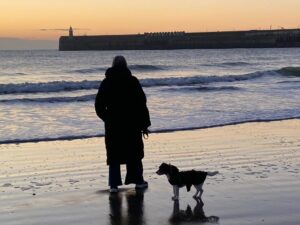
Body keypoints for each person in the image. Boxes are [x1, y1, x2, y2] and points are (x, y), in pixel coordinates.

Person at [95, 56, 151, 193]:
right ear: (126, 65)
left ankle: (113, 185)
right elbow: (141, 104)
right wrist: (144, 125)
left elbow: (98, 105)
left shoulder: (106, 82)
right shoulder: (133, 81)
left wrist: (107, 118)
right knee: (134, 153)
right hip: (132, 123)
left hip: (113, 125)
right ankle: (138, 181)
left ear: (112, 65)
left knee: (114, 154)